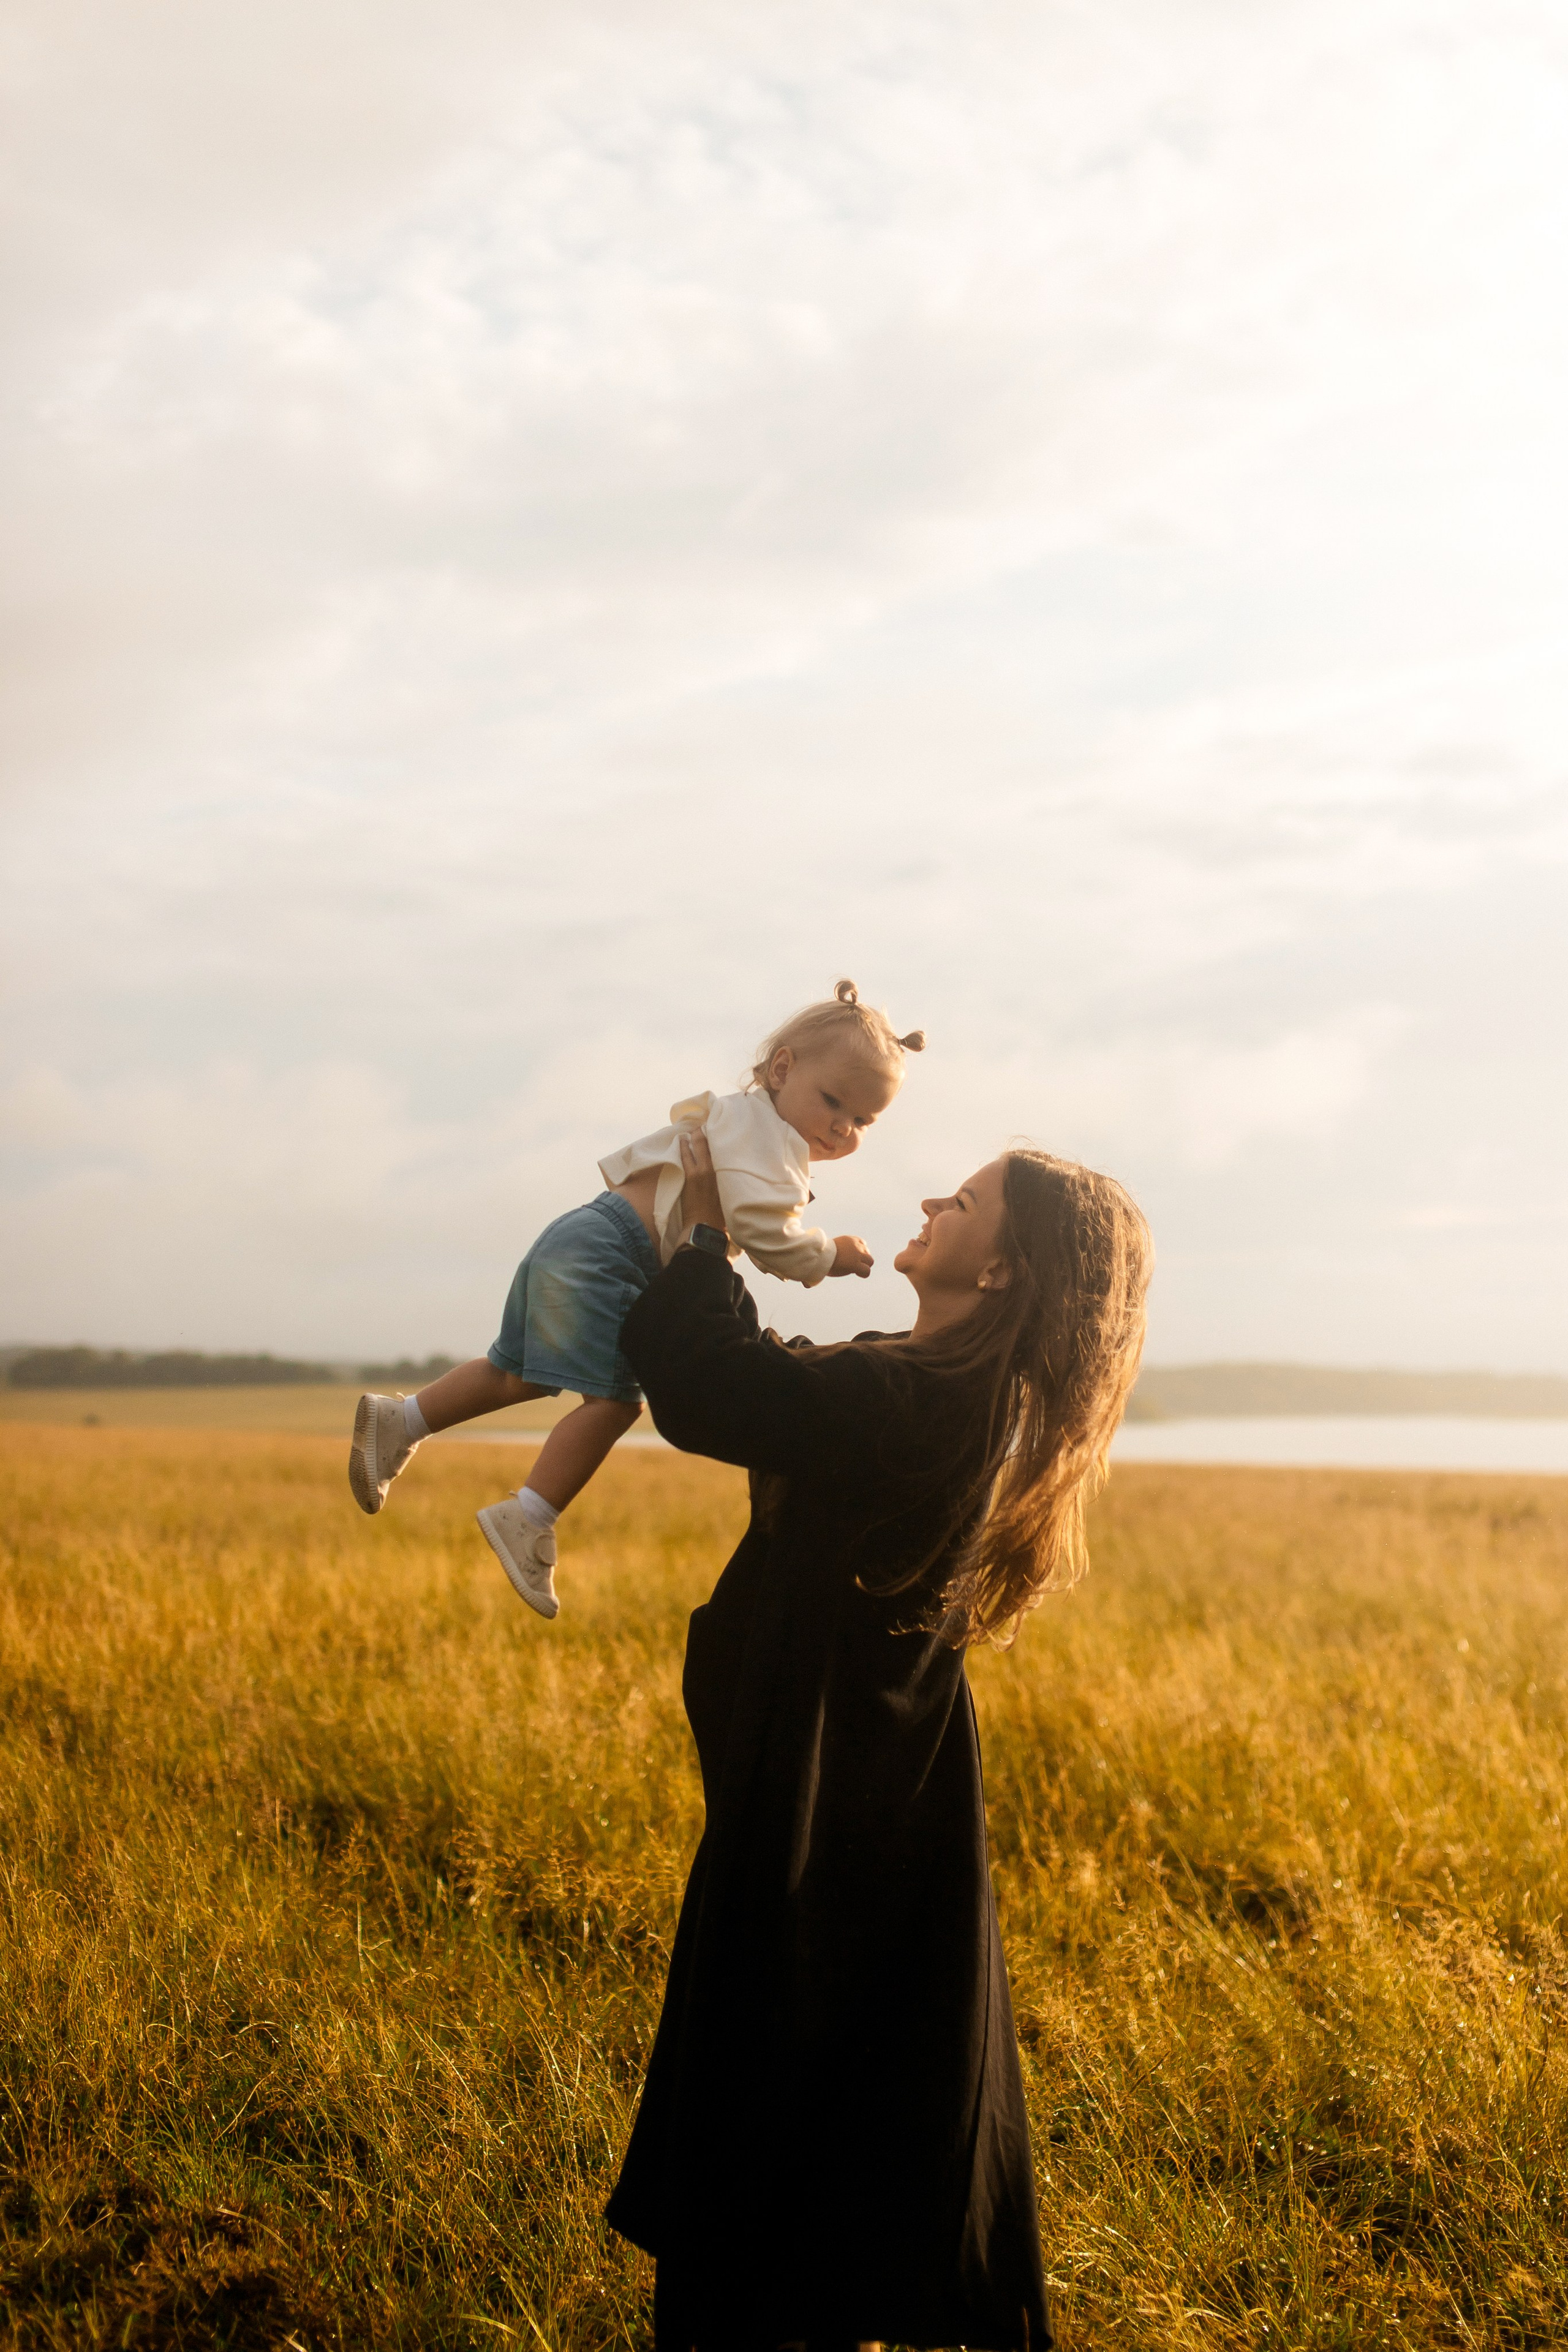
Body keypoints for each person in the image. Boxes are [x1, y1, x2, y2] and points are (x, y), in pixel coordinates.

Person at [606, 1129, 1153, 2352]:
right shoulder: (937, 1383)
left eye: (960, 1200)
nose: (926, 1199)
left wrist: (701, 1224)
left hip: (828, 1780)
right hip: (863, 1773)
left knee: (769, 2063)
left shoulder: (927, 1395)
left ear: (1001, 1269)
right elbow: (771, 1383)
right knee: (829, 2065)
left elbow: (720, 1391)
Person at [346, 981, 925, 1619]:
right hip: (616, 1255)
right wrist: (829, 1255)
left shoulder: (744, 1116)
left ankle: (402, 1421)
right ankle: (529, 1516)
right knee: (617, 1403)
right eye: (833, 1101)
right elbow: (767, 1237)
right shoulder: (773, 1143)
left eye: (862, 1121)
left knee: (514, 1373)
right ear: (783, 1068)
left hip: (582, 1234)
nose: (842, 1126)